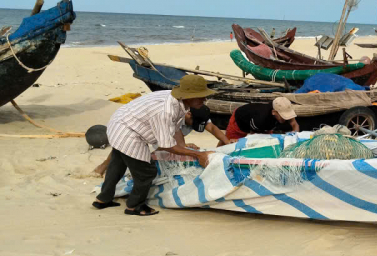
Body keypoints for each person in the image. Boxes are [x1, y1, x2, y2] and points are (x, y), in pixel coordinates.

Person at [92, 75, 217, 216]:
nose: (204, 100)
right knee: (146, 172)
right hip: (128, 130)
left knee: (117, 165)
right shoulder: (166, 110)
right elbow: (166, 145)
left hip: (121, 120)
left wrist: (183, 147)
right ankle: (135, 206)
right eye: (201, 97)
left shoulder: (178, 102)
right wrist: (198, 154)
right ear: (188, 96)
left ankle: (102, 199)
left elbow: (175, 130)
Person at [92, 105, 231, 177]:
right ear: (187, 114)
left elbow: (212, 128)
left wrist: (227, 141)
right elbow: (169, 143)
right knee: (124, 146)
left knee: (164, 150)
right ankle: (102, 168)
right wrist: (184, 147)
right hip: (148, 126)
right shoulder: (171, 116)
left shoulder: (199, 113)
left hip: (170, 133)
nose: (192, 127)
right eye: (191, 123)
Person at [225, 97, 300, 140]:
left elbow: (294, 124)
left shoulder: (284, 108)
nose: (286, 118)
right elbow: (255, 136)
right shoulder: (261, 119)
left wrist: (295, 136)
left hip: (266, 125)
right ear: (274, 112)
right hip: (240, 120)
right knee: (228, 142)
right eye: (283, 116)